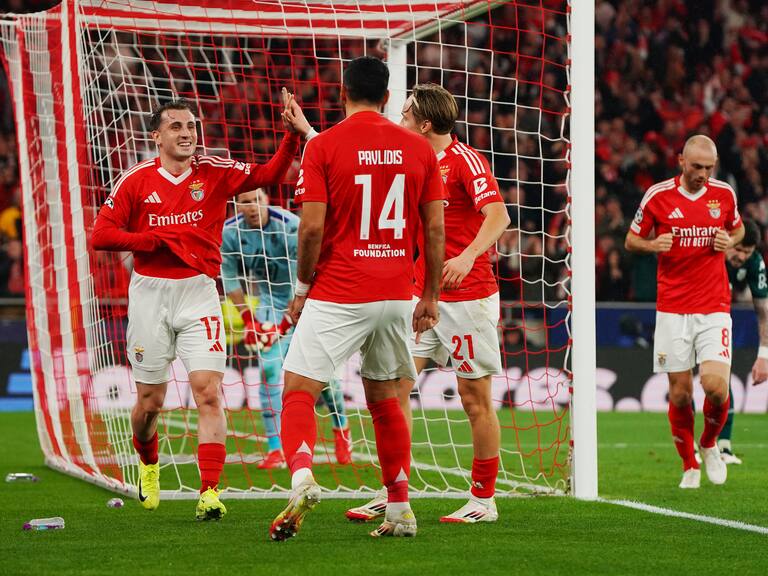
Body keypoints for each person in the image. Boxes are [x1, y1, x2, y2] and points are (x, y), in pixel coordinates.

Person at [92, 91, 308, 519]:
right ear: (157, 136)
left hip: (199, 294)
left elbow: (268, 174)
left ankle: (209, 491)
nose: (187, 133)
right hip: (150, 294)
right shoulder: (135, 181)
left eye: (191, 126)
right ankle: (149, 463)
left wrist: (289, 138)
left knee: (209, 393)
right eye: (176, 126)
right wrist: (151, 241)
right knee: (149, 403)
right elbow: (101, 235)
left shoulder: (214, 171)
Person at [268, 56, 445, 541]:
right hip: (396, 294)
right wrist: (428, 294)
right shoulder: (419, 149)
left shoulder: (323, 146)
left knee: (299, 389)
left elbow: (310, 228)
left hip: (341, 289)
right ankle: (400, 508)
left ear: (342, 94)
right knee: (386, 400)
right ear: (388, 98)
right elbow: (434, 227)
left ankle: (302, 477)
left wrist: (303, 288)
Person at [346, 83, 510, 524]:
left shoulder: (464, 160)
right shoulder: (411, 159)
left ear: (424, 123)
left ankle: (483, 499)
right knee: (394, 388)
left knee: (475, 399)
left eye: (404, 115)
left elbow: (499, 216)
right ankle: (393, 491)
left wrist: (468, 253)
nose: (398, 122)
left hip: (468, 296)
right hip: (421, 295)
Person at [625, 134, 744, 489]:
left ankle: (709, 444)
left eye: (709, 168)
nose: (703, 174)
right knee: (679, 394)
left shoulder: (724, 194)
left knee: (715, 387)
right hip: (673, 307)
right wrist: (652, 244)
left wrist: (730, 240)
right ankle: (689, 463)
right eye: (696, 167)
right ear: (681, 161)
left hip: (714, 305)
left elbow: (737, 230)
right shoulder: (658, 196)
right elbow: (631, 240)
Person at [221, 187, 352, 468]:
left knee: (322, 375)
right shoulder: (230, 232)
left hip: (308, 296)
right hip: (269, 301)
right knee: (268, 370)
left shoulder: (291, 227)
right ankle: (275, 448)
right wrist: (248, 320)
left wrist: (284, 323)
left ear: (267, 200)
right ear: (237, 206)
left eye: (256, 200)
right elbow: (229, 278)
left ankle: (342, 431)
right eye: (245, 202)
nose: (252, 207)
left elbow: (308, 274)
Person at [720, 218, 768, 463]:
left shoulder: (754, 263)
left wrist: (764, 356)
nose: (740, 257)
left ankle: (723, 445)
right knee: (683, 384)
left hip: (716, 317)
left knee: (721, 376)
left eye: (746, 253)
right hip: (686, 312)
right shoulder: (712, 249)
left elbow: (764, 312)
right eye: (737, 249)